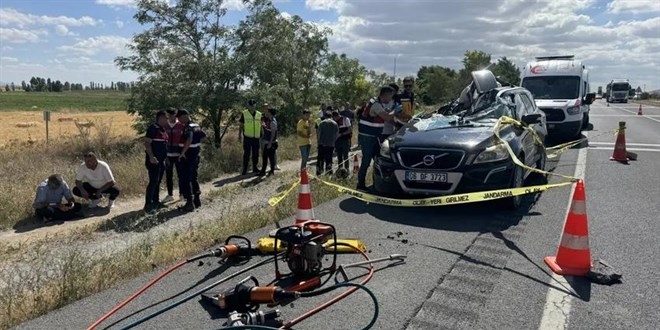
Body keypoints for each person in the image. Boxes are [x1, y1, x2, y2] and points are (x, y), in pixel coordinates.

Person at [356, 85, 401, 191]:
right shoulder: (376, 105)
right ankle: (360, 185)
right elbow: (386, 117)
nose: (391, 99)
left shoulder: (378, 103)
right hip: (368, 137)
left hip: (374, 136)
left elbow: (385, 113)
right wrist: (395, 111)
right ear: (385, 95)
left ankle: (377, 184)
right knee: (366, 161)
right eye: (391, 96)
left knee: (378, 159)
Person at [178, 109, 207, 210]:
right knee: (194, 177)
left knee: (186, 178)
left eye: (179, 117)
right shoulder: (196, 125)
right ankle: (197, 201)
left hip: (188, 156)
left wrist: (183, 152)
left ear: (185, 116)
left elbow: (189, 139)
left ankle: (189, 203)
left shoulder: (188, 127)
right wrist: (197, 146)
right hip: (195, 154)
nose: (179, 120)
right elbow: (204, 136)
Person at [142, 110, 169, 212]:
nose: (167, 120)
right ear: (160, 118)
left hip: (161, 161)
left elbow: (164, 146)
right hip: (154, 160)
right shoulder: (153, 128)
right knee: (153, 182)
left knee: (158, 181)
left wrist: (166, 159)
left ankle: (156, 202)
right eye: (165, 118)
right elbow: (147, 143)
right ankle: (148, 204)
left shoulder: (162, 129)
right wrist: (151, 156)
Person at [163, 107, 185, 203]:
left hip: (179, 154)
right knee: (169, 175)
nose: (170, 117)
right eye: (168, 116)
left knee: (181, 175)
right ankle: (170, 194)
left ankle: (182, 194)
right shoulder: (165, 126)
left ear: (175, 115)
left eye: (172, 115)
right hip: (168, 155)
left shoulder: (181, 125)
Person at [239, 99, 262, 175]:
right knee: (247, 153)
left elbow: (261, 125)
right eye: (250, 105)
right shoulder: (244, 113)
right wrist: (239, 135)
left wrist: (262, 135)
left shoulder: (259, 114)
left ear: (255, 105)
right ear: (248, 105)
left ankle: (255, 167)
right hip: (247, 137)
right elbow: (241, 125)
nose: (252, 107)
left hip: (256, 137)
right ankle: (245, 169)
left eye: (253, 105)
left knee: (256, 153)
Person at [316, 111, 338, 175]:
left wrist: (318, 142)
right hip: (331, 145)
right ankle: (329, 172)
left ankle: (319, 172)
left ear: (325, 116)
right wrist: (333, 141)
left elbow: (319, 134)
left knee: (320, 159)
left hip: (322, 144)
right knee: (329, 159)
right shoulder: (335, 123)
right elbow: (336, 134)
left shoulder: (322, 123)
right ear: (331, 116)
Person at [259, 108, 278, 176]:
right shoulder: (269, 120)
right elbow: (267, 129)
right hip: (268, 142)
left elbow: (273, 134)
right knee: (265, 157)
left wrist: (270, 143)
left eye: (267, 112)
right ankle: (263, 171)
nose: (266, 113)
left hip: (271, 143)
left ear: (270, 113)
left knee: (271, 158)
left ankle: (271, 171)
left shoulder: (273, 121)